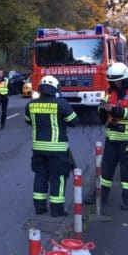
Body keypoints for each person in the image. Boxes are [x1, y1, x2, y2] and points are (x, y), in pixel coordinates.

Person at [24, 75, 78, 217]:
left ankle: (40, 208)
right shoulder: (61, 104)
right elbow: (74, 121)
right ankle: (57, 210)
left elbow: (28, 121)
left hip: (38, 149)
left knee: (40, 176)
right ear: (54, 89)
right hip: (57, 149)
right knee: (58, 178)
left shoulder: (30, 105)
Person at [97, 62, 128, 210]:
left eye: (116, 80)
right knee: (106, 170)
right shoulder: (110, 91)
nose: (114, 83)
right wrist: (103, 110)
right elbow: (101, 109)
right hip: (112, 138)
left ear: (124, 79)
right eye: (112, 80)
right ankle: (101, 196)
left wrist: (119, 111)